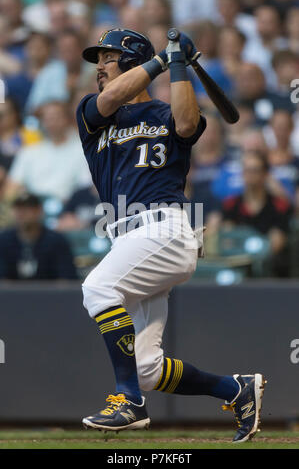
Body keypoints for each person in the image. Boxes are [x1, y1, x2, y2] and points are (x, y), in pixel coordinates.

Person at [76, 27, 266, 443]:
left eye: (107, 58)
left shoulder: (163, 112)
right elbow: (110, 99)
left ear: (130, 60)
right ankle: (235, 390)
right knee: (147, 367)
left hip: (164, 228)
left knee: (98, 289)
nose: (100, 68)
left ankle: (127, 401)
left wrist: (178, 62)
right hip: (128, 239)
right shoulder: (93, 112)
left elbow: (185, 122)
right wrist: (164, 59)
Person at [221, 150, 293, 277]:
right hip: (238, 269)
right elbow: (229, 241)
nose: (250, 175)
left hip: (272, 272)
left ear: (265, 174)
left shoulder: (279, 206)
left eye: (255, 170)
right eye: (247, 170)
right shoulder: (231, 205)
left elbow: (275, 245)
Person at [0, 192, 78, 280]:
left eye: (28, 209)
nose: (22, 213)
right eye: (18, 209)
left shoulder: (56, 241)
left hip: (49, 293)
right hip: (11, 294)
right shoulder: (3, 240)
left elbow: (66, 280)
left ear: (39, 210)